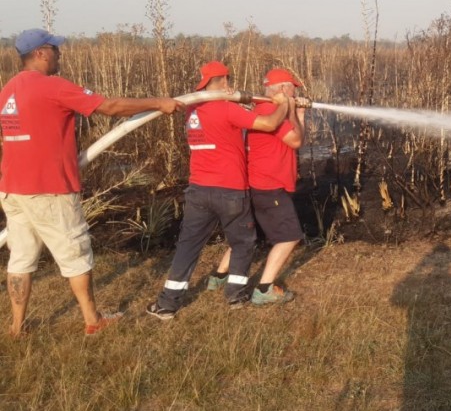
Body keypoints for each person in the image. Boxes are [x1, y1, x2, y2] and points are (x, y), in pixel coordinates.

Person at [0, 28, 183, 338]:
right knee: (75, 253)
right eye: (55, 49)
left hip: (13, 188)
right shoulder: (52, 87)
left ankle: (17, 327)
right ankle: (93, 320)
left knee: (21, 256)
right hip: (49, 189)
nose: (59, 54)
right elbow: (109, 107)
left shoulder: (8, 90)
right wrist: (158, 102)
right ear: (41, 53)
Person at [146, 61, 292, 320]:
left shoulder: (193, 109)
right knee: (243, 242)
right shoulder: (226, 110)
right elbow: (269, 124)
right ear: (223, 82)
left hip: (198, 190)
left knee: (188, 246)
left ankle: (168, 304)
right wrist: (283, 104)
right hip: (230, 190)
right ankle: (235, 295)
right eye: (228, 80)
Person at [207, 68, 308, 305]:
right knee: (290, 237)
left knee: (246, 235)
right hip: (270, 186)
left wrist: (297, 113)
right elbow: (296, 140)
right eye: (293, 88)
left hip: (254, 183)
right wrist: (295, 113)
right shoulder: (274, 111)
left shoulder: (261, 109)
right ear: (283, 89)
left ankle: (218, 276)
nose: (295, 92)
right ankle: (264, 289)